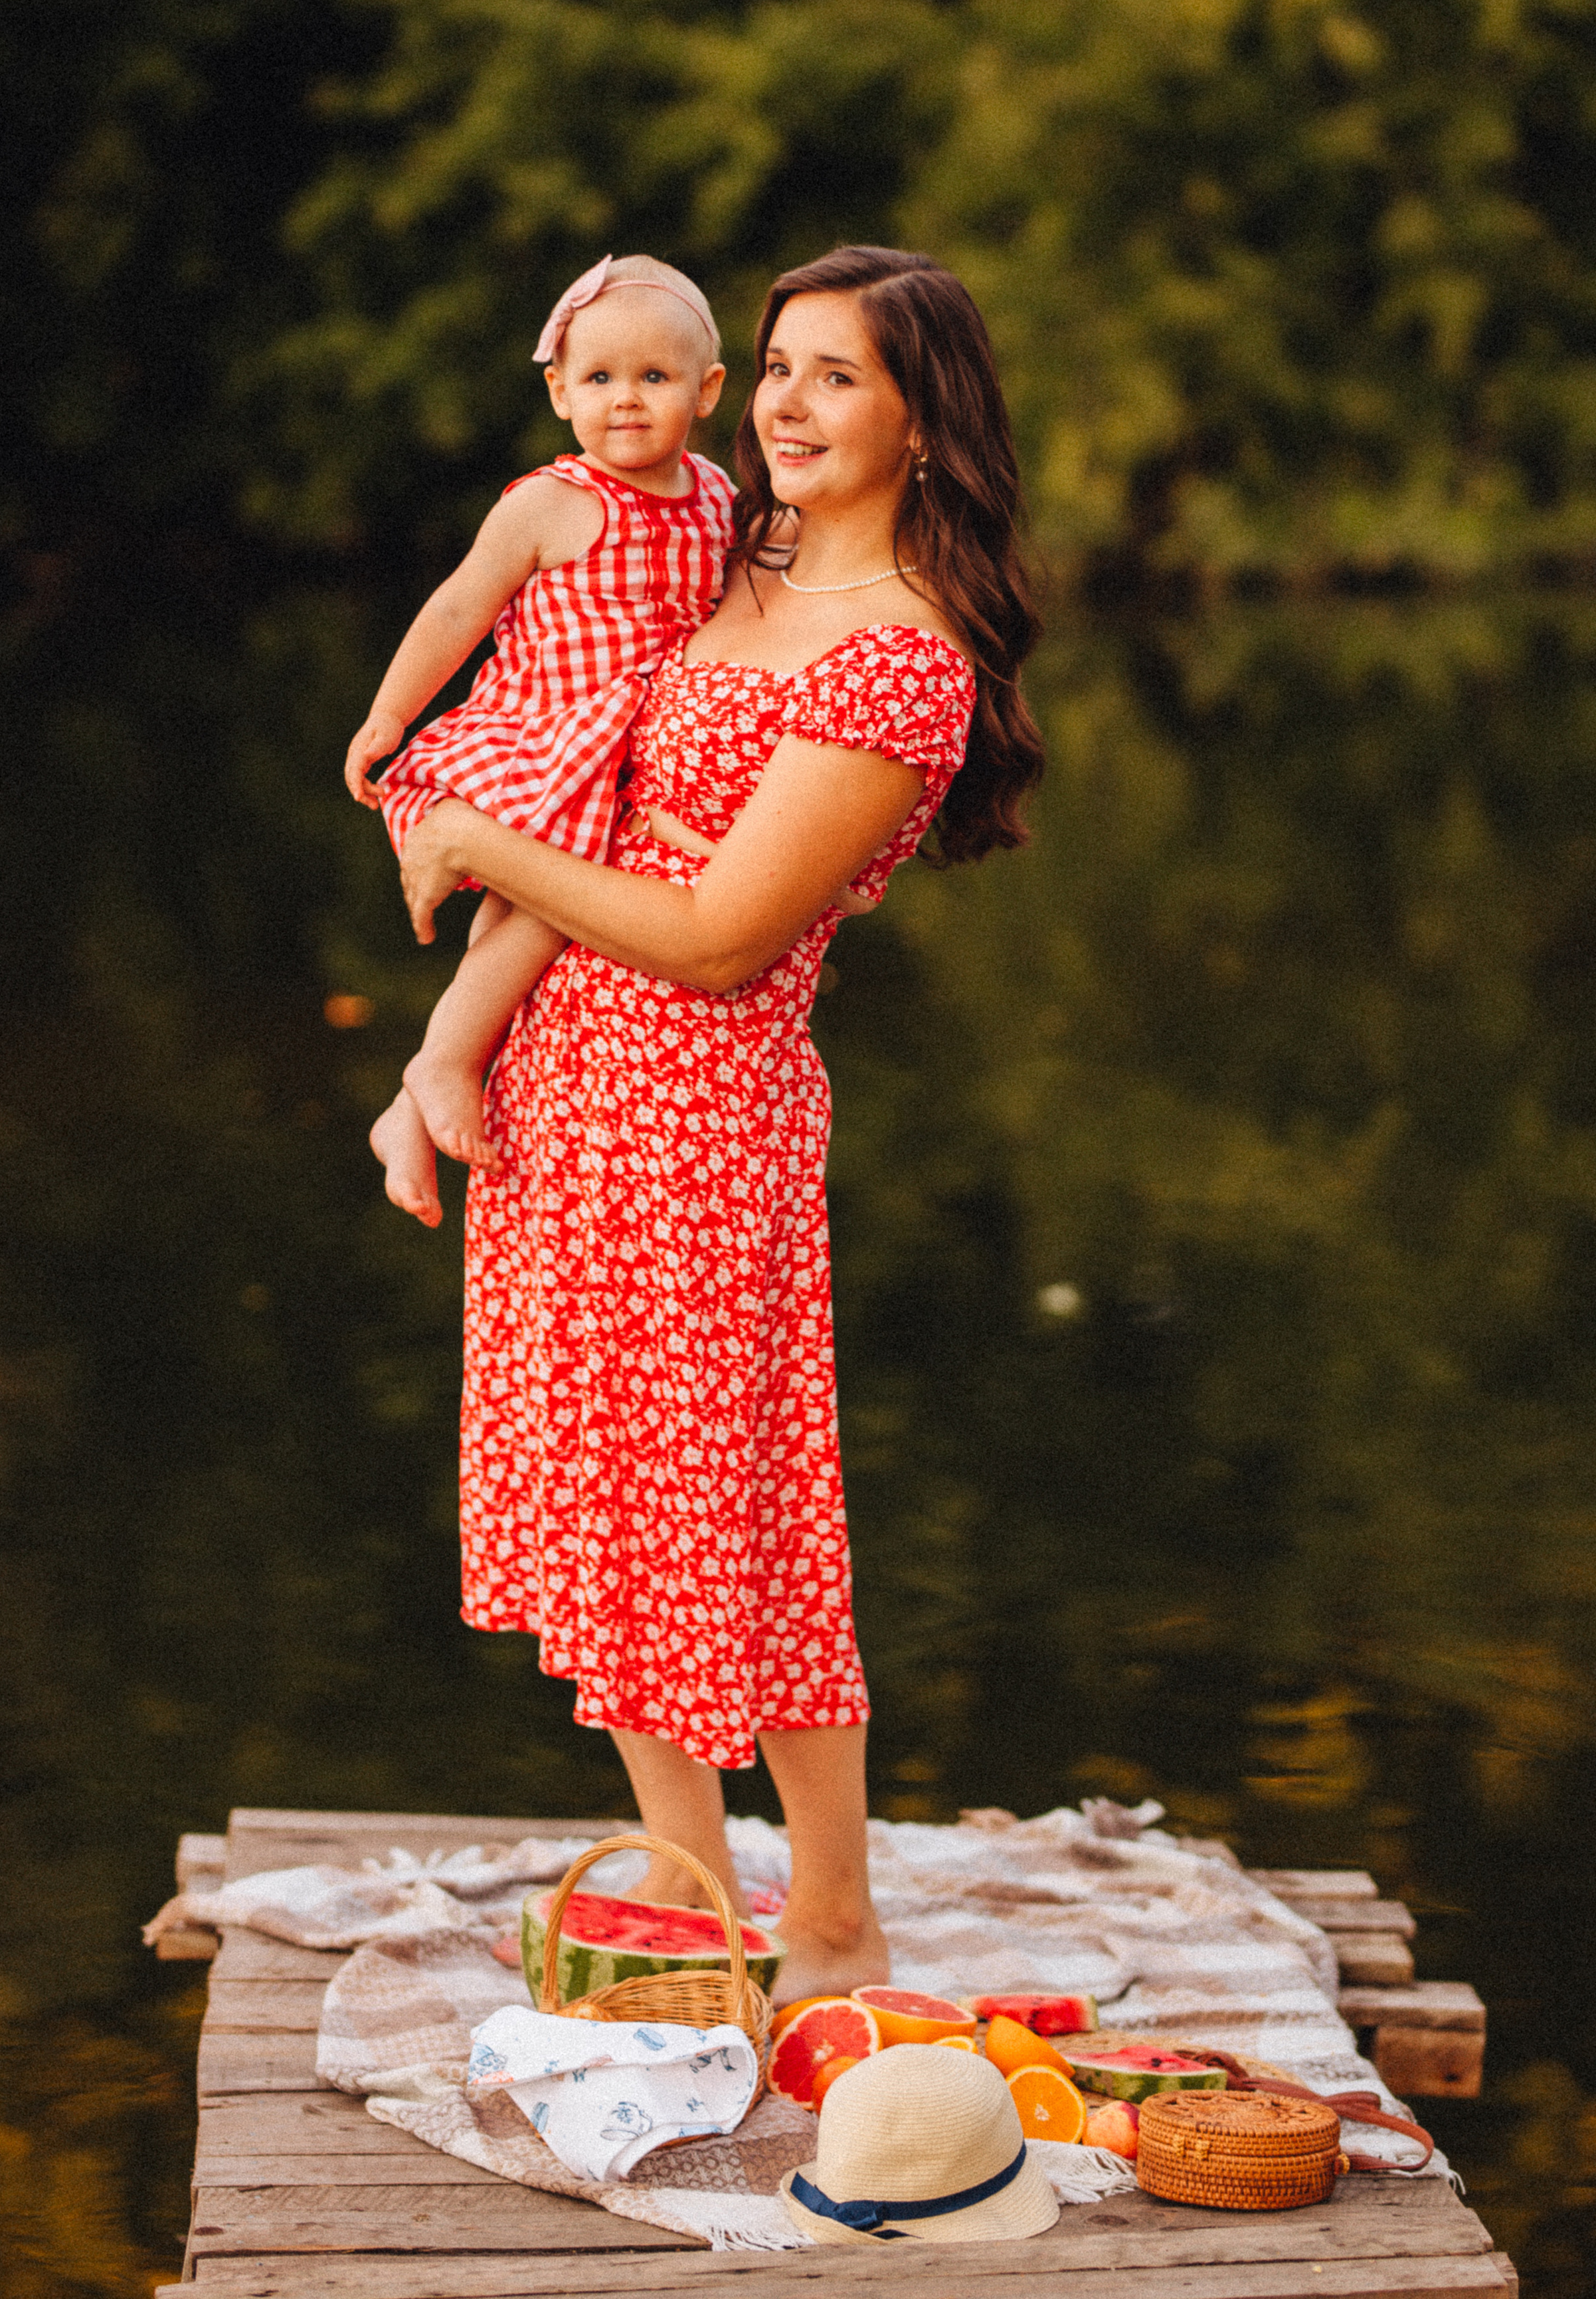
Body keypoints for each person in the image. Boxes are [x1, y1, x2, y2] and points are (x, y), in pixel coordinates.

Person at [397, 246, 1043, 2001]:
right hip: (565, 1102)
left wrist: (477, 848)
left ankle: (829, 1913)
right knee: (607, 1505)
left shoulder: (906, 665)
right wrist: (448, 1036)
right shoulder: (729, 551)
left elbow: (719, 933)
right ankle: (692, 1888)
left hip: (701, 1123)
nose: (782, 404)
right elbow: (559, 679)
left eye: (834, 376)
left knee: (744, 1518)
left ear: (925, 420)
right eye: (774, 368)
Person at [343, 253, 731, 1227]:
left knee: (526, 923)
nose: (627, 402)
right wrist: (391, 713)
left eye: (654, 378)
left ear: (707, 391)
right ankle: (441, 1063)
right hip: (543, 738)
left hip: (626, 747)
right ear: (560, 393)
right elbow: (458, 608)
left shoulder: (722, 499)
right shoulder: (552, 503)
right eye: (599, 380)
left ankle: (411, 1103)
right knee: (548, 910)